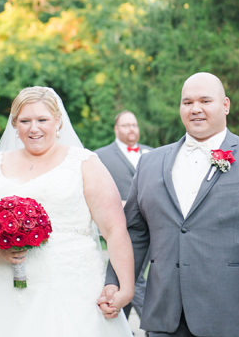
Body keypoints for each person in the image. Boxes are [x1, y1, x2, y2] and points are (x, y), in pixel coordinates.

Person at [101, 72, 239, 336]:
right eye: (187, 103)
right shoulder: (150, 162)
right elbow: (135, 233)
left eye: (205, 101)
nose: (195, 109)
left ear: (226, 105)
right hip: (166, 316)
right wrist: (115, 283)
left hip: (237, 314)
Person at [0, 86, 134, 337]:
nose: (34, 128)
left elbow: (114, 228)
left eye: (42, 119)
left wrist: (125, 288)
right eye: (25, 121)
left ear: (58, 122)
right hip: (7, 294)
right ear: (15, 126)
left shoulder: (84, 163)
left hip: (73, 292)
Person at [95, 111, 154, 321]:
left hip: (149, 228)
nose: (132, 129)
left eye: (135, 125)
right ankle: (154, 323)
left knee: (129, 278)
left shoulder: (152, 154)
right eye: (126, 125)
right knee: (129, 278)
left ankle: (121, 326)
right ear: (116, 129)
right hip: (118, 228)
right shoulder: (100, 156)